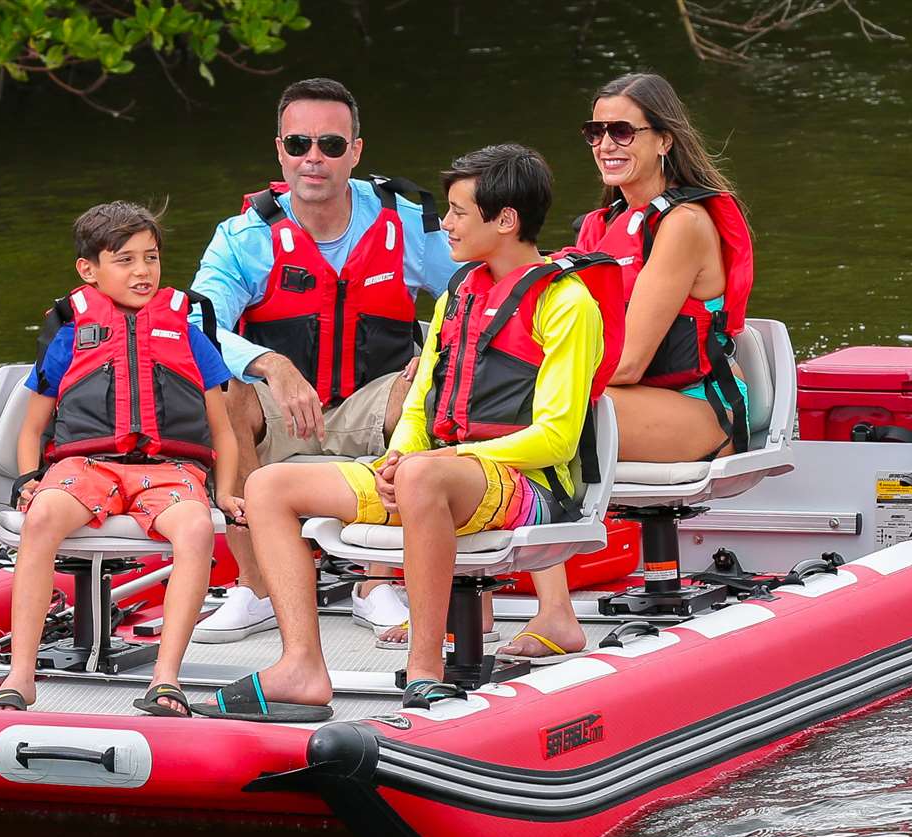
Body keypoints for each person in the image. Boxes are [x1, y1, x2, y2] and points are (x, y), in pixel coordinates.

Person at [197, 144, 621, 721]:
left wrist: (439, 462)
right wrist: (398, 457)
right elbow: (421, 407)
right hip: (436, 475)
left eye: (458, 213)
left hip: (532, 487)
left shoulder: (567, 303)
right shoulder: (459, 294)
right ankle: (301, 666)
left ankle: (425, 671)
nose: (445, 225)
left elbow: (557, 438)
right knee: (270, 486)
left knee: (422, 474)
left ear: (505, 220)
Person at [497, 71, 755, 664]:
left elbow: (632, 360)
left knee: (538, 416)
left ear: (664, 139)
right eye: (596, 132)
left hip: (700, 408)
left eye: (622, 131)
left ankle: (556, 615)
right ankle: (475, 595)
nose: (606, 144)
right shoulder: (601, 225)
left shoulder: (684, 224)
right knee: (481, 408)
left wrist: (538, 379)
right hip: (629, 401)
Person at [189, 77, 458, 644]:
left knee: (429, 387)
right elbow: (196, 323)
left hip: (373, 400)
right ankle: (257, 586)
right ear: (280, 150)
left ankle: (378, 581)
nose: (313, 158)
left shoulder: (407, 222)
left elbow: (474, 293)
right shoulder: (243, 236)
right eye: (299, 144)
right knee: (224, 391)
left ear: (355, 152)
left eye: (331, 145)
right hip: (281, 409)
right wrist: (270, 364)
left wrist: (437, 350)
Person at [0, 201, 244, 717]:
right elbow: (33, 428)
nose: (142, 271)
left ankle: (165, 680)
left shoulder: (187, 334)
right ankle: (20, 677)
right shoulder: (68, 335)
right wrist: (30, 479)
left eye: (151, 258)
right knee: (42, 519)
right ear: (89, 270)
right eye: (125, 260)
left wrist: (228, 490)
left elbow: (222, 430)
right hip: (87, 467)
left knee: (195, 530)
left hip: (169, 471)